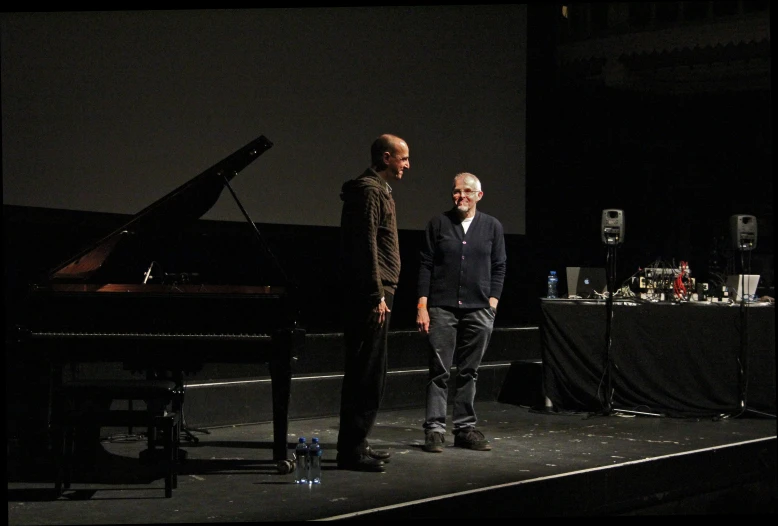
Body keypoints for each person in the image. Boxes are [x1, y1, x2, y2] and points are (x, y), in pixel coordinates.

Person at [416, 172, 507, 453]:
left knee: (470, 371)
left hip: (479, 309)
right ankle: (434, 428)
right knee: (439, 371)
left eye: (468, 191)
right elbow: (426, 265)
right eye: (457, 191)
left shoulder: (492, 226)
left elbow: (499, 266)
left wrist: (492, 303)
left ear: (479, 195)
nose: (461, 196)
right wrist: (422, 305)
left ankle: (465, 428)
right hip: (442, 309)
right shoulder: (438, 224)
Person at [336, 134, 410, 472]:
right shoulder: (368, 191)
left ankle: (358, 442)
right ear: (386, 157)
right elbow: (364, 245)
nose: (407, 165)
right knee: (365, 372)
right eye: (403, 158)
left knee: (372, 371)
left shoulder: (378, 191)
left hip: (379, 291)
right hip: (372, 295)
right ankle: (351, 450)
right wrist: (375, 293)